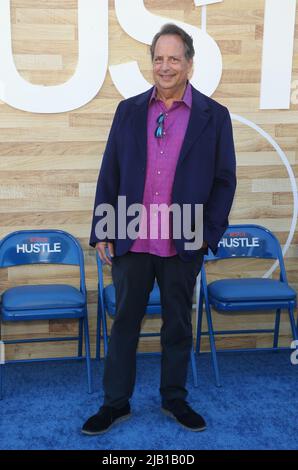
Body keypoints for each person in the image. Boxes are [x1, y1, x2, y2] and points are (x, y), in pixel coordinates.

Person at [82, 23, 236, 435]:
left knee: (177, 324)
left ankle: (174, 398)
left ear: (189, 64)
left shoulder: (214, 116)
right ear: (152, 63)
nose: (164, 66)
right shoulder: (128, 110)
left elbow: (224, 181)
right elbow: (110, 171)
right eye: (158, 58)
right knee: (125, 324)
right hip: (131, 232)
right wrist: (103, 227)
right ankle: (115, 404)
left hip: (184, 236)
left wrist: (208, 233)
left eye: (173, 58)